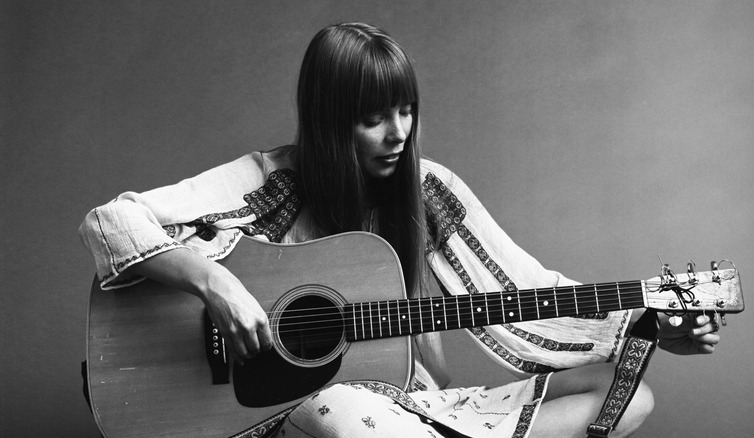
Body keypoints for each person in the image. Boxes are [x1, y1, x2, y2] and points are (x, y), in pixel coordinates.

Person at [79, 22, 720, 438]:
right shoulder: (263, 179)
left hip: (407, 411)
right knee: (344, 414)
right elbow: (110, 220)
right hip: (308, 416)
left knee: (628, 395)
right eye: (374, 118)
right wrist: (214, 283)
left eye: (407, 109)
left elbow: (529, 288)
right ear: (331, 122)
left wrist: (648, 321)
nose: (399, 134)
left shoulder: (426, 190)